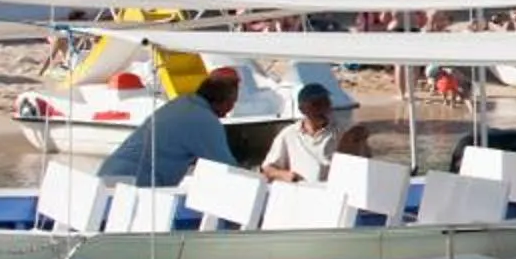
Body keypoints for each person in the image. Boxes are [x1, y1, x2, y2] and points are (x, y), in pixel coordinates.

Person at [98, 68, 241, 185]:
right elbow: (227, 170)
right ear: (223, 101)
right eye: (232, 102)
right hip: (135, 183)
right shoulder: (204, 120)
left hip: (109, 176)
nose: (231, 108)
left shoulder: (181, 104)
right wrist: (260, 176)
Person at [261, 83, 340, 182]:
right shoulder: (288, 134)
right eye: (316, 104)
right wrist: (285, 175)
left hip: (329, 191)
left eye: (327, 103)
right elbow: (267, 169)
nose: (323, 109)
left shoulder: (341, 132)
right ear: (302, 109)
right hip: (300, 191)